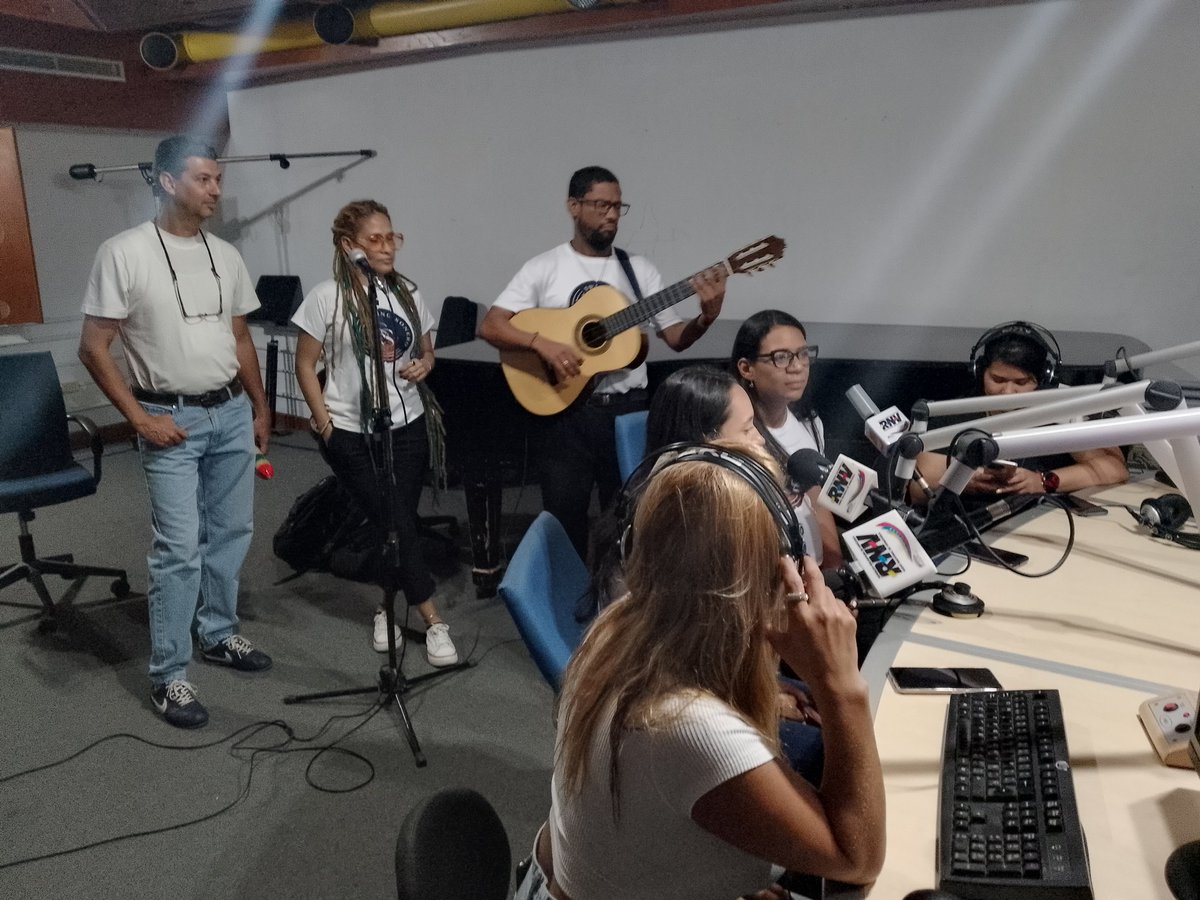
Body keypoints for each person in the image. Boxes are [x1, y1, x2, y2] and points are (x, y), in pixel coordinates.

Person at [516, 448, 885, 899]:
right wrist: (840, 684)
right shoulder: (683, 725)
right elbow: (857, 859)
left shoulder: (620, 627)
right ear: (772, 581)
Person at [79, 135, 273, 730]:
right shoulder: (124, 253)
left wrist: (260, 406)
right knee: (179, 550)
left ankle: (218, 633)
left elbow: (239, 337)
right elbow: (93, 347)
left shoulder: (226, 255)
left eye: (217, 179)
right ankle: (169, 676)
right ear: (166, 182)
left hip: (231, 412)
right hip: (170, 420)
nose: (215, 190)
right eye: (203, 179)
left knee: (232, 532)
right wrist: (138, 419)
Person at [478, 165, 728, 561]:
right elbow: (491, 326)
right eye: (600, 205)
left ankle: (619, 593)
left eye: (617, 206)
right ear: (573, 206)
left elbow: (676, 338)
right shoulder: (544, 267)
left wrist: (706, 318)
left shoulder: (639, 271)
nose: (611, 215)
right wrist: (541, 343)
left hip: (627, 413)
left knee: (630, 516)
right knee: (564, 519)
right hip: (567, 416)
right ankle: (569, 593)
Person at [291, 199, 458, 668]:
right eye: (376, 239)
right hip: (349, 431)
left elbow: (427, 350)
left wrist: (425, 364)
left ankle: (386, 609)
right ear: (350, 246)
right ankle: (432, 618)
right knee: (394, 521)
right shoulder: (326, 297)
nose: (388, 247)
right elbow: (304, 364)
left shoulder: (406, 292)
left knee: (394, 523)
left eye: (391, 237)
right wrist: (325, 423)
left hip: (406, 425)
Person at [915, 321, 1128, 499]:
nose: (1008, 392)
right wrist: (965, 479)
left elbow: (1115, 469)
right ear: (980, 372)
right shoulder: (956, 414)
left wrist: (1042, 482)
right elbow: (916, 488)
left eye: (1021, 382)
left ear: (1043, 379)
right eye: (998, 379)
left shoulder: (1060, 416)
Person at [732, 310, 844, 568]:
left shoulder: (810, 423)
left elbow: (819, 503)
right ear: (747, 368)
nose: (797, 367)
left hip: (814, 572)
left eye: (803, 354)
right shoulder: (741, 438)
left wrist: (833, 573)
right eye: (781, 357)